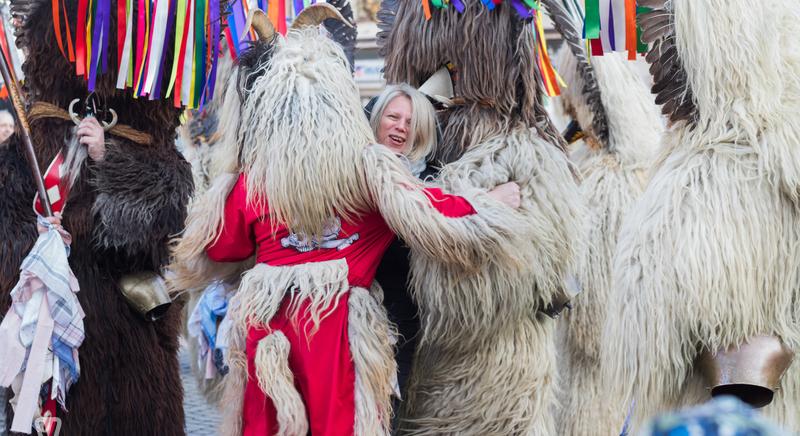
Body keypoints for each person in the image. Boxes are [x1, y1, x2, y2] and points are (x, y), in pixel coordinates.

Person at [171, 7, 528, 436]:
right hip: (335, 331)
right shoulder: (366, 172)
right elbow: (430, 210)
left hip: (270, 328)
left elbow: (221, 248)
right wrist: (488, 203)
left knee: (265, 422)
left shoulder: (253, 182)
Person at [0, 6, 193, 436]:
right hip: (49, 344)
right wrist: (36, 252)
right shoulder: (24, 152)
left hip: (129, 343)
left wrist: (109, 161)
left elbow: (159, 235)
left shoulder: (155, 151)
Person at [369, 83, 438, 407]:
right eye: (393, 117)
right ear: (377, 119)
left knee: (388, 411)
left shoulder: (432, 178)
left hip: (402, 315)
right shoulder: (353, 167)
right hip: (351, 312)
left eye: (411, 122)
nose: (400, 126)